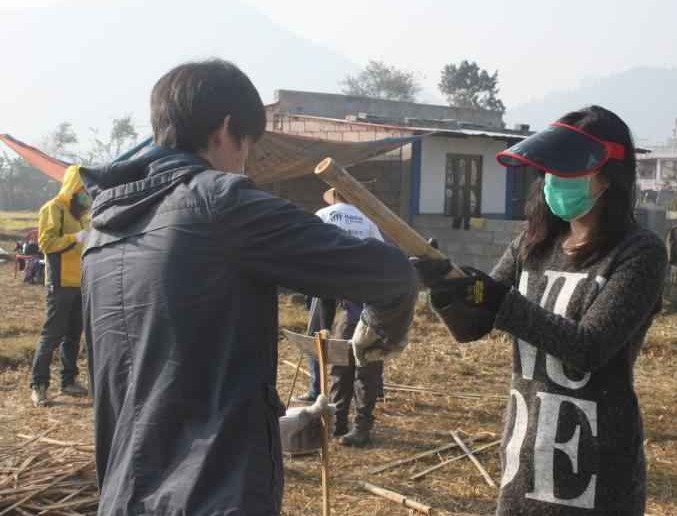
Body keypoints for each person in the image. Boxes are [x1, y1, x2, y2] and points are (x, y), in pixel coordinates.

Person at [79, 59, 416, 515]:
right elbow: (389, 273)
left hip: (123, 493)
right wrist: (380, 329)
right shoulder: (220, 201)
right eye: (248, 145)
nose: (246, 161)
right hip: (214, 495)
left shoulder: (102, 229)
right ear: (226, 129)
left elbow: (152, 382)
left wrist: (274, 426)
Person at [412, 106, 667, 516]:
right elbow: (473, 326)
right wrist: (447, 289)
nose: (552, 183)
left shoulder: (639, 253)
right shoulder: (532, 244)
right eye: (548, 173)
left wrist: (494, 297)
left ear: (608, 176)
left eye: (565, 172)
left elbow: (588, 347)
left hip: (597, 472)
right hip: (526, 455)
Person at [297, 187, 384, 405]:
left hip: (327, 278)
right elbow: (381, 249)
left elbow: (308, 242)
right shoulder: (366, 218)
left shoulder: (324, 214)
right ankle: (377, 390)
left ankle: (318, 389)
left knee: (318, 335)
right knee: (367, 333)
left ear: (335, 196)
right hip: (358, 284)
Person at [30, 164, 91, 407]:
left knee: (73, 335)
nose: (86, 194)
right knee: (52, 334)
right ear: (73, 187)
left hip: (79, 282)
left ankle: (68, 380)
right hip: (60, 283)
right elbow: (45, 242)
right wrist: (74, 238)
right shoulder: (53, 208)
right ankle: (39, 385)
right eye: (83, 189)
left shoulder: (78, 215)